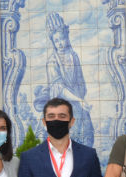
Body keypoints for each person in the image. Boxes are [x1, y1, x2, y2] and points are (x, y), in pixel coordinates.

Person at [33, 12, 95, 147]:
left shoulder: (74, 56)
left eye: (61, 39)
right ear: (53, 43)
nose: (60, 43)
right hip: (60, 107)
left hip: (77, 105)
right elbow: (59, 89)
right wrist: (79, 100)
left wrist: (80, 100)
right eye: (56, 41)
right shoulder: (52, 61)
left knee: (86, 137)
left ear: (66, 37)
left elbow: (81, 84)